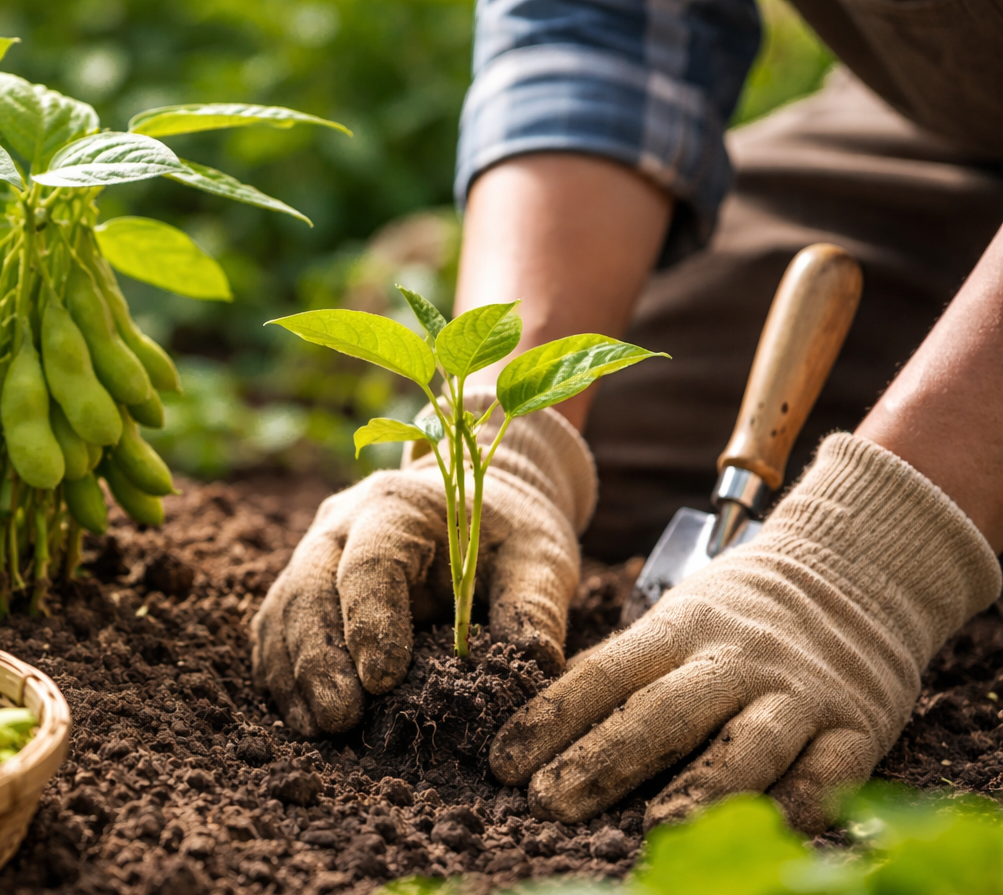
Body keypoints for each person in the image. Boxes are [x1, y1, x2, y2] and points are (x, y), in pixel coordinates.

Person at [250, 0, 1003, 833]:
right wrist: (512, 432)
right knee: (607, 411)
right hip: (944, 132)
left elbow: (872, 556)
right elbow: (596, 25)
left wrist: (873, 563)